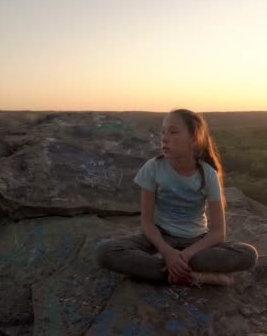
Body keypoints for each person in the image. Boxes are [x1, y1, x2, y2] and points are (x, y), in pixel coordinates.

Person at [96, 109, 258, 286]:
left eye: (173, 132)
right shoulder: (153, 167)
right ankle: (195, 276)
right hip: (159, 238)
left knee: (248, 254)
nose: (164, 138)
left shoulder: (208, 174)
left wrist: (184, 255)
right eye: (163, 132)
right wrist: (167, 252)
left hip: (196, 242)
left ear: (194, 138)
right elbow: (147, 223)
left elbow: (218, 232)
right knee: (105, 252)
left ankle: (168, 270)